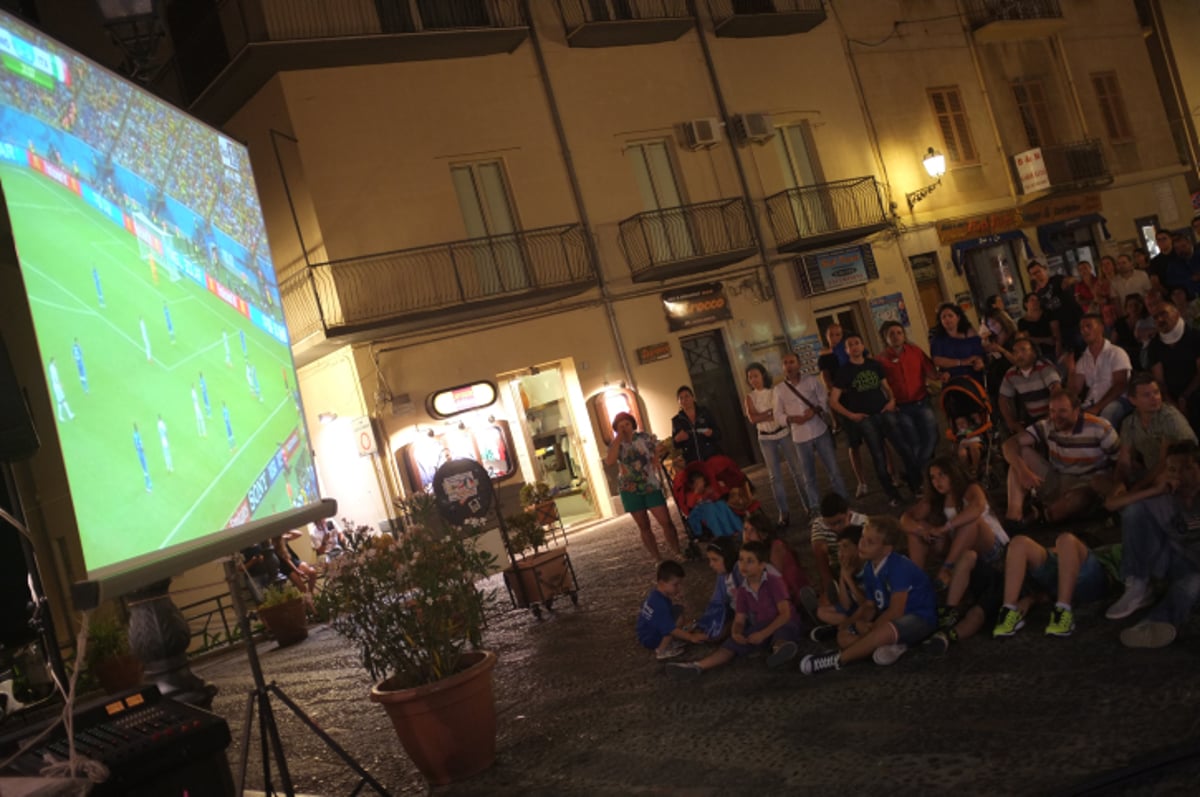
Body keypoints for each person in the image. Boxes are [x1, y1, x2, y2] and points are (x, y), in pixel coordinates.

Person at [800, 516, 937, 674]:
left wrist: (872, 627)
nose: (862, 543)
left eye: (870, 542)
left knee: (883, 630)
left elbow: (896, 611)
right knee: (843, 636)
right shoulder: (870, 568)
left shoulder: (899, 567)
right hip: (890, 620)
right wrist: (854, 622)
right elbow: (870, 605)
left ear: (886, 549)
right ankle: (890, 647)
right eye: (863, 538)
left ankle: (838, 659)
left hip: (920, 618)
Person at [1104, 442, 1200, 649]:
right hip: (1172, 557)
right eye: (1173, 469)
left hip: (1195, 566)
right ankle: (1138, 582)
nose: (1179, 474)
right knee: (1135, 510)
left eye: (1187, 468)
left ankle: (1152, 624)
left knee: (1191, 584)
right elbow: (1112, 504)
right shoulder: (1165, 495)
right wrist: (1154, 489)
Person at [668, 541, 805, 676]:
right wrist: (736, 633)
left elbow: (785, 614)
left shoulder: (773, 581)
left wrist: (763, 633)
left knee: (782, 634)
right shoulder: (743, 590)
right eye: (741, 560)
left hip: (782, 622)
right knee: (731, 644)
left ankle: (779, 650)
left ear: (762, 565)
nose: (743, 565)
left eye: (750, 561)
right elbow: (739, 619)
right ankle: (698, 666)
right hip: (760, 625)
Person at [1002, 387, 1119, 529]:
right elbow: (1009, 445)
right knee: (1019, 454)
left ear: (1076, 411)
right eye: (1052, 411)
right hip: (1058, 478)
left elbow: (1119, 461)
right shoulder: (1047, 425)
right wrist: (1023, 470)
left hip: (1087, 484)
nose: (1056, 416)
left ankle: (1042, 515)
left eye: (1062, 411)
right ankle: (1013, 518)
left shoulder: (1099, 428)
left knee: (1078, 499)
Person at [829, 333, 920, 505]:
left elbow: (886, 386)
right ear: (847, 350)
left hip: (884, 412)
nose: (855, 346)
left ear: (863, 346)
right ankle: (892, 495)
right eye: (851, 345)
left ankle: (916, 485)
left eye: (857, 343)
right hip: (865, 419)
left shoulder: (874, 365)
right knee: (878, 457)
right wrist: (851, 415)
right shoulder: (844, 372)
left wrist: (892, 400)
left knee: (904, 448)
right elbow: (833, 401)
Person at [900, 455, 1008, 588]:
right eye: (933, 477)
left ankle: (947, 569)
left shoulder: (971, 488)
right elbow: (905, 518)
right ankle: (916, 580)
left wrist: (945, 528)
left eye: (942, 475)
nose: (937, 481)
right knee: (916, 527)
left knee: (971, 521)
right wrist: (921, 531)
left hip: (990, 545)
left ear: (953, 473)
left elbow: (977, 507)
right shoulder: (935, 498)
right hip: (959, 547)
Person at [992, 532, 1121, 638]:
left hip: (1092, 578)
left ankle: (1063, 610)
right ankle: (1008, 610)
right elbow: (1047, 594)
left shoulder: (1100, 553)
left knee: (1065, 540)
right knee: (1019, 542)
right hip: (1058, 580)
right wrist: (1030, 600)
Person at [774, 351, 848, 509]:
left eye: (792, 362)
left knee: (833, 470)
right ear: (782, 367)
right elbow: (777, 415)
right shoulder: (779, 389)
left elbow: (823, 399)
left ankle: (843, 503)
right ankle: (814, 508)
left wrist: (814, 411)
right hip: (799, 437)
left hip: (819, 430)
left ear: (799, 364)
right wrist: (792, 419)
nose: (789, 366)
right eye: (786, 363)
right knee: (808, 476)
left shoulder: (812, 381)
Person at [605, 412, 683, 560]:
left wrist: (655, 457)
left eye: (627, 424)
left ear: (632, 424)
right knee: (644, 526)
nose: (625, 428)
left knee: (666, 521)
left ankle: (677, 552)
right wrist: (618, 438)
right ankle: (657, 559)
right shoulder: (616, 444)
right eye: (620, 426)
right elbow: (609, 461)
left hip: (650, 485)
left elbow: (661, 447)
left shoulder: (644, 438)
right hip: (630, 489)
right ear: (616, 428)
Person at [744, 362, 806, 526]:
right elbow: (753, 419)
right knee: (774, 477)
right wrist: (768, 414)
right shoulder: (750, 397)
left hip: (783, 433)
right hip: (765, 438)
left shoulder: (775, 392)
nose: (753, 380)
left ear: (763, 375)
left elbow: (779, 414)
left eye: (756, 376)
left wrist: (764, 415)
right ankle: (783, 513)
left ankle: (810, 506)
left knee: (797, 470)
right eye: (750, 377)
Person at [1114, 373, 1197, 491]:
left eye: (1156, 392)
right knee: (1099, 481)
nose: (1154, 398)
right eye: (1147, 395)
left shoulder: (1169, 417)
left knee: (1160, 481)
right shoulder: (1129, 423)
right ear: (1133, 400)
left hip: (1178, 472)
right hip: (1150, 471)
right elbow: (1124, 461)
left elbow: (1164, 462)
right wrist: (1119, 485)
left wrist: (1137, 488)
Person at [875, 321, 940, 471]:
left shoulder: (915, 351)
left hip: (921, 402)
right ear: (885, 338)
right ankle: (924, 476)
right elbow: (880, 386)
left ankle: (918, 470)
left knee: (932, 437)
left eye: (899, 332)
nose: (896, 336)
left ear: (904, 335)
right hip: (901, 408)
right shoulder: (880, 360)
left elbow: (929, 371)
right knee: (914, 442)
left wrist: (939, 376)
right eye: (891, 334)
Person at [818, 324, 869, 496]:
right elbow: (827, 382)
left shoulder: (850, 353)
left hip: (862, 398)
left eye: (838, 334)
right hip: (843, 401)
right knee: (853, 444)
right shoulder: (825, 357)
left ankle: (892, 474)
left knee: (878, 439)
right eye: (831, 335)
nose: (835, 337)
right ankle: (861, 481)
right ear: (826, 337)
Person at [1067, 313, 1132, 427]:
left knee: (1106, 416)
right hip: (1092, 402)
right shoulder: (1083, 359)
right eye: (1081, 328)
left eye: (1089, 326)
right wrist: (1071, 370)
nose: (1084, 331)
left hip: (1117, 400)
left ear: (1101, 328)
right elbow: (1075, 389)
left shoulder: (1116, 353)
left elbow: (1120, 385)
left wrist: (1097, 407)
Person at [742, 514, 813, 615]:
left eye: (752, 530)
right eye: (745, 529)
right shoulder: (752, 551)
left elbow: (776, 579)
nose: (747, 534)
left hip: (792, 594)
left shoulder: (776, 547)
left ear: (764, 534)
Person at [637, 560, 707, 661]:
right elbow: (670, 629)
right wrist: (691, 637)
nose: (679, 588)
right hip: (651, 638)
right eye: (675, 584)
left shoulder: (656, 595)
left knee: (678, 611)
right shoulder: (660, 603)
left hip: (646, 632)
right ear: (661, 583)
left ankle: (668, 641)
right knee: (673, 624)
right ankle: (662, 650)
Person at [1147, 301, 1200, 431]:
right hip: (1170, 395)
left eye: (1163, 314)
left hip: (1196, 389)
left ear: (1176, 314)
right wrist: (1172, 403)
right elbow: (1159, 380)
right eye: (1155, 317)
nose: (1159, 319)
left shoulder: (1195, 337)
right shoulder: (1154, 345)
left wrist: (1184, 397)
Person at [809, 491, 867, 608]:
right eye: (830, 524)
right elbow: (820, 555)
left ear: (848, 512)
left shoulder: (864, 523)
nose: (835, 528)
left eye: (839, 522)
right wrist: (829, 588)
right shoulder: (819, 524)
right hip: (836, 569)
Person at [812, 524, 867, 633]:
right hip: (852, 609)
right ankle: (845, 626)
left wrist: (849, 579)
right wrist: (843, 577)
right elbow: (845, 605)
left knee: (855, 620)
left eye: (845, 546)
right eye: (839, 548)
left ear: (858, 547)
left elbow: (866, 604)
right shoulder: (848, 567)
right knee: (821, 611)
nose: (840, 553)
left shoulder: (867, 568)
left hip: (865, 610)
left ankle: (840, 628)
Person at [1028, 259, 1083, 357]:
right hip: (1063, 330)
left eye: (1038, 271)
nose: (1037, 275)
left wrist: (1069, 282)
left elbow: (1070, 280)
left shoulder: (1056, 280)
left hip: (1077, 321)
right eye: (1033, 274)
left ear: (1044, 269)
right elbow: (1050, 317)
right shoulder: (1039, 295)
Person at [929, 303, 986, 380]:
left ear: (958, 317)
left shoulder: (970, 333)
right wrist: (961, 362)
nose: (947, 319)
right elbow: (937, 360)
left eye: (950, 316)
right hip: (952, 378)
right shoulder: (938, 339)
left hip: (973, 375)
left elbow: (979, 352)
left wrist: (979, 361)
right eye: (943, 317)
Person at [683, 470, 742, 539]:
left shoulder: (706, 490)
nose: (703, 484)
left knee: (722, 504)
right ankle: (723, 534)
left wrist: (712, 494)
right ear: (694, 485)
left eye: (703, 482)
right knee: (710, 508)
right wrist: (697, 494)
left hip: (715, 508)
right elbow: (692, 506)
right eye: (701, 482)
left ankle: (737, 528)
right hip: (704, 512)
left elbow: (716, 498)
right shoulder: (690, 495)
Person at [671, 386, 721, 464]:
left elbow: (718, 434)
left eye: (687, 396)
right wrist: (677, 439)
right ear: (679, 402)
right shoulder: (677, 420)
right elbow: (675, 445)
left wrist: (711, 433)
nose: (684, 400)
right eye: (681, 398)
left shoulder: (704, 413)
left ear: (693, 397)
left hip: (710, 456)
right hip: (692, 460)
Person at [1111, 293, 1149, 370]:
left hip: (1141, 356)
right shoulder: (1120, 322)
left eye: (1136, 305)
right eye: (1130, 305)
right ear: (1126, 308)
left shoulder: (1148, 321)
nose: (1134, 308)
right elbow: (1113, 342)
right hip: (1123, 355)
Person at [1016, 293, 1057, 362]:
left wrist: (1058, 350)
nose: (1036, 302)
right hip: (1036, 354)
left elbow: (1056, 333)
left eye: (1037, 300)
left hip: (1052, 350)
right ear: (1026, 304)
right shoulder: (1022, 322)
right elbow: (1026, 340)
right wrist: (1045, 340)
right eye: (1032, 300)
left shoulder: (1047, 314)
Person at [47, 358, 74, 422]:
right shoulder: (53, 369)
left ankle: (62, 416)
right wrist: (60, 384)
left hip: (55, 386)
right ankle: (69, 415)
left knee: (60, 402)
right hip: (57, 387)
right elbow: (55, 378)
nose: (56, 362)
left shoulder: (51, 368)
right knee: (62, 400)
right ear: (52, 362)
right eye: (55, 361)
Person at [133, 422, 151, 493]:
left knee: (144, 470)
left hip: (138, 453)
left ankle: (148, 486)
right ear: (137, 428)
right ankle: (149, 486)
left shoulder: (134, 435)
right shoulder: (138, 436)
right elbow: (141, 446)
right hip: (141, 453)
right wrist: (144, 452)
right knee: (146, 470)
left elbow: (135, 445)